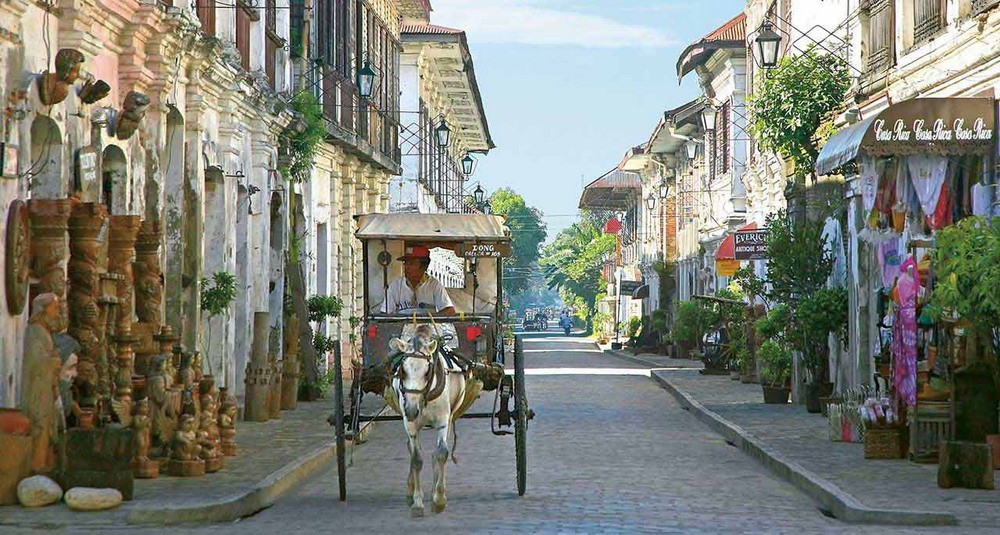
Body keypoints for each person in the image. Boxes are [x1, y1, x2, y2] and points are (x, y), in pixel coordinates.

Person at [380, 245, 456, 315]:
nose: (406, 267)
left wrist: (430, 319)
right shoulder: (396, 285)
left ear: (424, 266)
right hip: (403, 327)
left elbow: (449, 311)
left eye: (412, 263)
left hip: (428, 328)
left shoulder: (434, 285)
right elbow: (385, 313)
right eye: (406, 263)